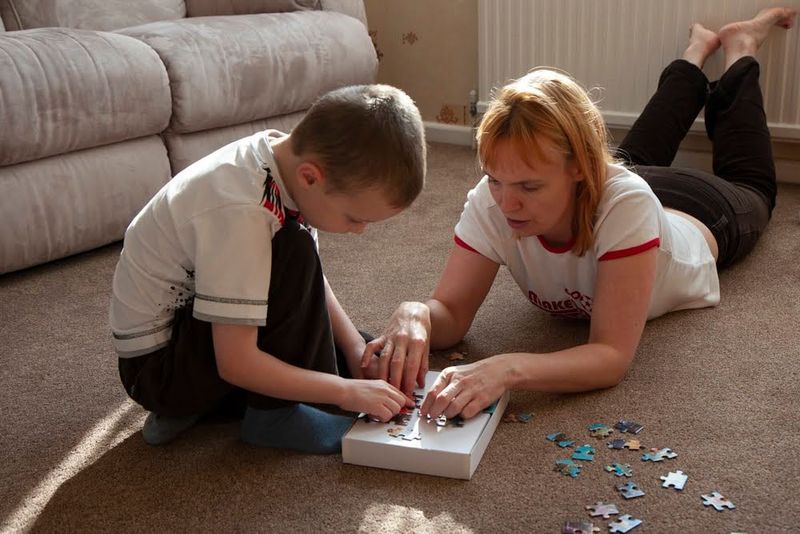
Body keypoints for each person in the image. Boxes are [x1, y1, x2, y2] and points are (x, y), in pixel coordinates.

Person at [361, 7, 797, 421]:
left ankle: (740, 49)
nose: (506, 203)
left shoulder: (625, 203)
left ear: (579, 170)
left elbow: (609, 356)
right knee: (636, 154)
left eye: (528, 187)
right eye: (495, 178)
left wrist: (508, 368)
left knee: (753, 184)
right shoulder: (493, 197)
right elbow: (452, 315)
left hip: (698, 211)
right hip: (613, 187)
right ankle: (695, 55)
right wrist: (415, 311)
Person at [110, 84, 426, 453]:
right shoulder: (243, 210)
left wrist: (355, 349)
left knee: (362, 351)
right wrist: (344, 391)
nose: (359, 230)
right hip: (160, 373)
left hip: (201, 333)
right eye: (355, 217)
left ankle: (216, 408)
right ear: (311, 177)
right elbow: (236, 362)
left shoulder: (284, 161)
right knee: (295, 252)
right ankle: (273, 416)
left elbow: (308, 284)